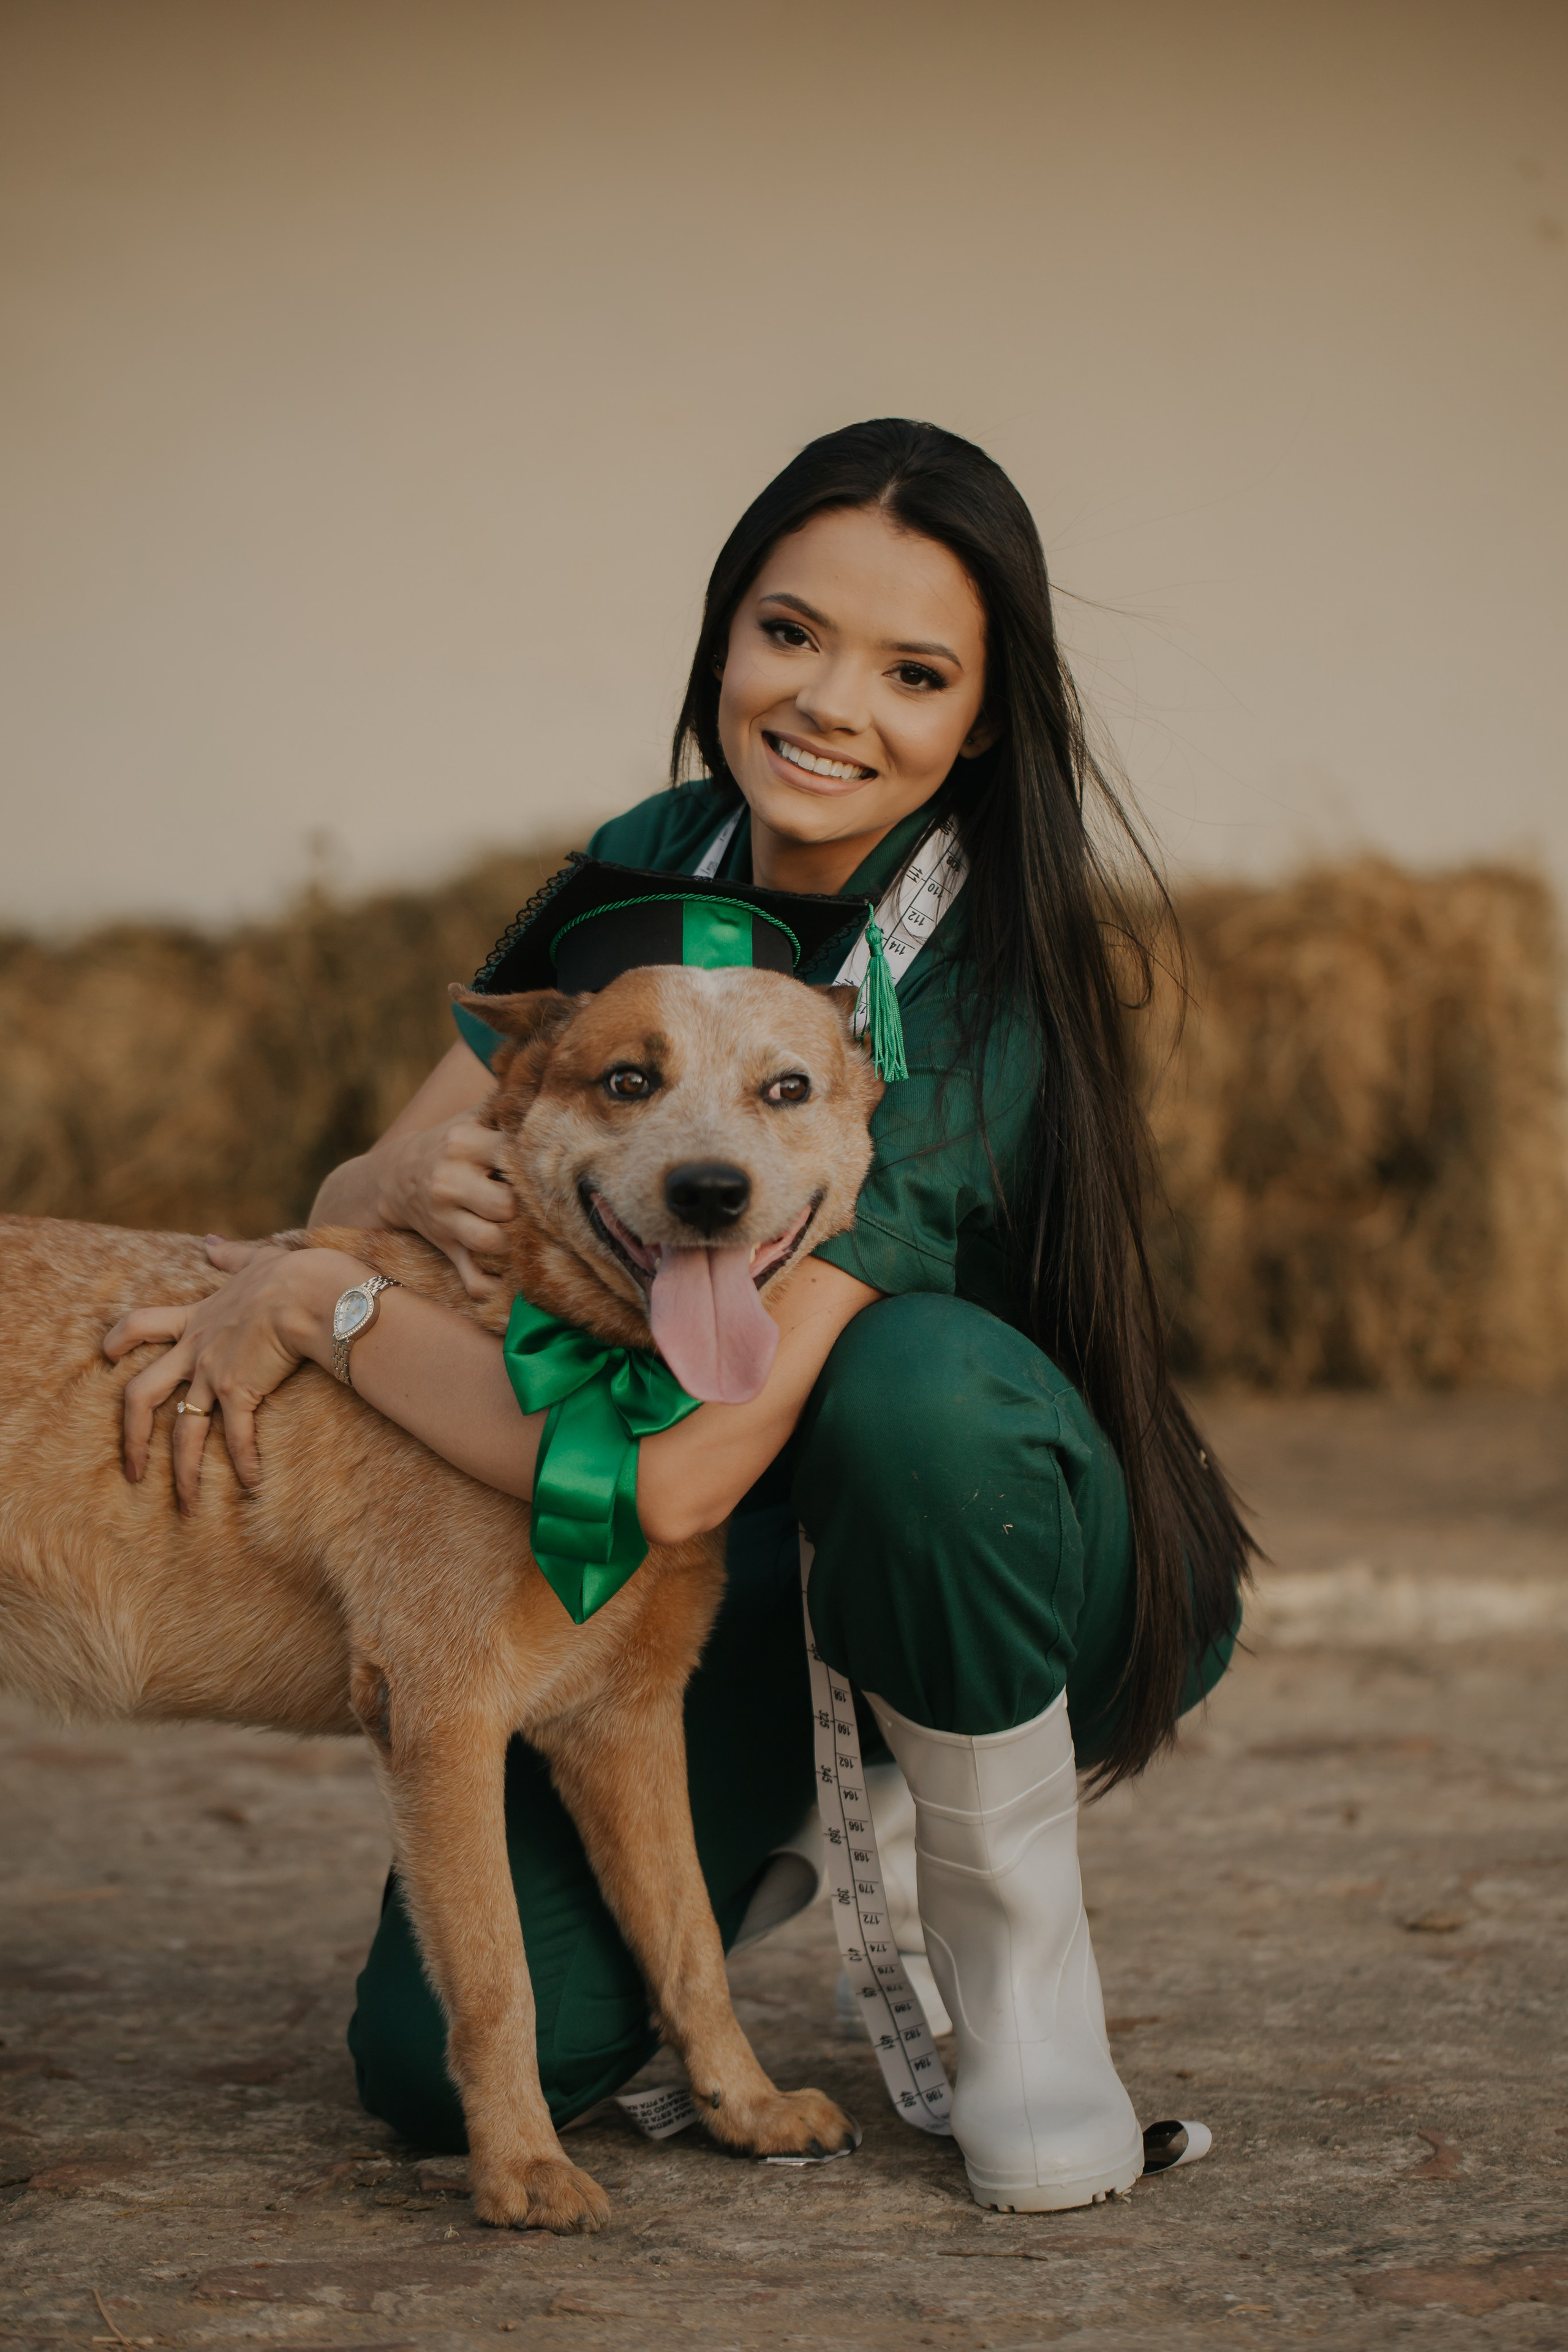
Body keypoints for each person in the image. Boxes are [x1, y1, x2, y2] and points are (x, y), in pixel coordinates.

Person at [107, 419, 1254, 2212]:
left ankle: (1019, 1983)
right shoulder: (653, 855)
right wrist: (343, 1225)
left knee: (914, 1389)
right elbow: (388, 1180)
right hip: (697, 1591)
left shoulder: (990, 973)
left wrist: (320, 1306)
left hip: (997, 1561)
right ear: (725, 634)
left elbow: (670, 1480)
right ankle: (774, 1812)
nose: (833, 703)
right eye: (790, 632)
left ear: (985, 721)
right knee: (430, 2080)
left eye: (915, 671)